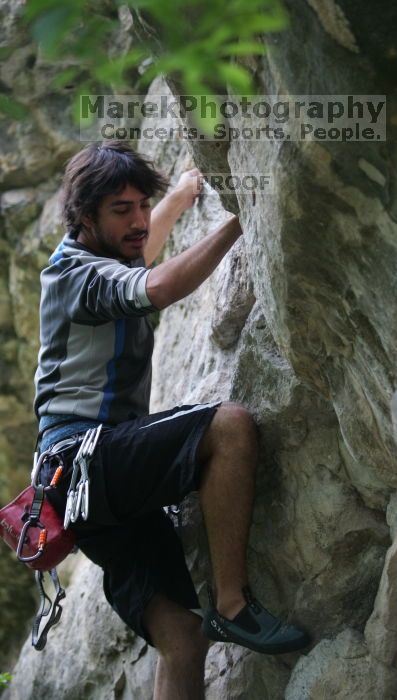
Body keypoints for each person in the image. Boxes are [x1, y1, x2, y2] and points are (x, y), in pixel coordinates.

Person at [34, 141, 310, 699]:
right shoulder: (74, 275)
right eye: (122, 210)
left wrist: (181, 196)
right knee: (228, 425)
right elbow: (153, 286)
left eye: (142, 205)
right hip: (84, 459)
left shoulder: (107, 253)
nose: (138, 221)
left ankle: (213, 620)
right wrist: (239, 223)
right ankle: (233, 605)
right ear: (85, 217)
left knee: (182, 637)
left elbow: (141, 251)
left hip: (81, 491)